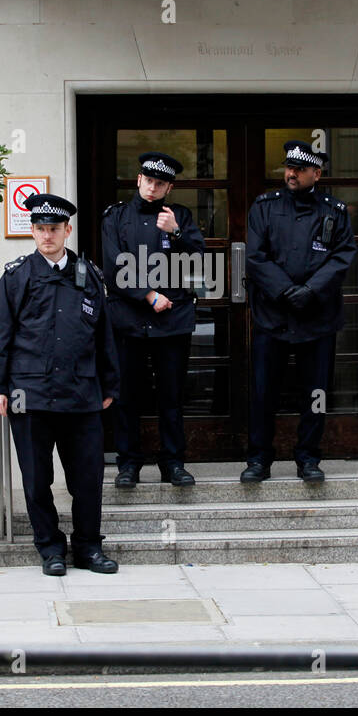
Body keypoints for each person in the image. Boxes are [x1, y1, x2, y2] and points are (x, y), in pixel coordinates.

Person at [0, 192, 121, 575]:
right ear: (33, 231)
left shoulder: (89, 276)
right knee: (36, 480)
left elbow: (104, 336)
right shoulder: (16, 277)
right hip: (31, 397)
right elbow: (0, 336)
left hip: (82, 395)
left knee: (87, 479)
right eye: (41, 229)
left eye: (54, 229)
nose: (47, 236)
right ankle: (50, 548)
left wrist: (110, 387)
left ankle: (89, 548)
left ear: (67, 230)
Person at [242, 140, 356, 483]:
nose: (291, 174)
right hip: (273, 316)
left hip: (317, 317)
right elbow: (255, 255)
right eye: (289, 168)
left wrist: (310, 291)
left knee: (316, 393)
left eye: (300, 169)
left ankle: (309, 457)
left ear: (316, 174)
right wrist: (284, 290)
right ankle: (259, 459)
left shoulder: (334, 210)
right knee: (264, 392)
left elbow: (343, 256)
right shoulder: (264, 206)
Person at [102, 152, 206, 489]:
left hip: (172, 322)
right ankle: (128, 463)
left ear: (169, 187)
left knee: (171, 397)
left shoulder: (182, 217)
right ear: (138, 180)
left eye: (160, 183)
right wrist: (148, 294)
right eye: (148, 180)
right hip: (129, 319)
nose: (152, 187)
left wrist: (176, 234)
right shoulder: (116, 216)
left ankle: (173, 462)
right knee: (127, 395)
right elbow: (114, 265)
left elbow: (196, 265)